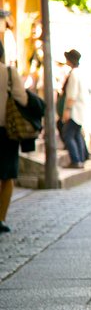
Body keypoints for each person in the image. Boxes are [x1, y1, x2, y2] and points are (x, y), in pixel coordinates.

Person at [0, 42, 28, 233]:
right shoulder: (9, 72)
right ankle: (0, 218)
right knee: (7, 175)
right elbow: (23, 99)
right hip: (7, 130)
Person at [58, 49, 88, 169]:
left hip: (75, 110)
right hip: (79, 110)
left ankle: (76, 159)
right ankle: (80, 158)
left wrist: (67, 110)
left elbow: (72, 95)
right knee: (76, 134)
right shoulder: (79, 72)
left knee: (68, 134)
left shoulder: (75, 74)